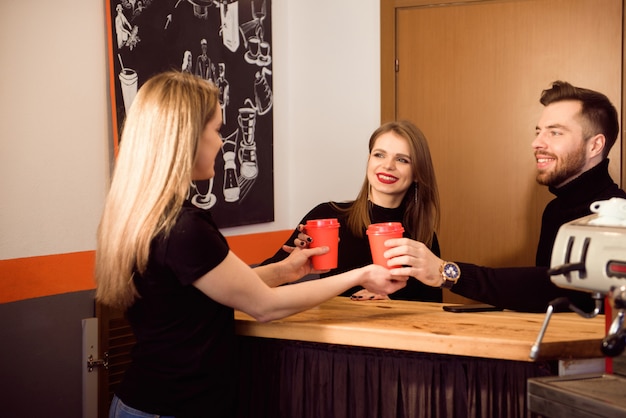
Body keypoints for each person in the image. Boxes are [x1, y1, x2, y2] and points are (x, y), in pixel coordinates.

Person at [95, 71, 407, 418]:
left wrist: (285, 270)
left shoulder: (150, 215)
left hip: (144, 402)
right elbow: (265, 307)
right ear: (187, 138)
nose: (222, 141)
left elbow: (215, 289)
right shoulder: (184, 228)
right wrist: (359, 276)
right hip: (171, 407)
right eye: (215, 129)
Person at [380, 81, 626, 313]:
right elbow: (547, 299)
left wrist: (447, 272)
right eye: (539, 131)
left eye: (555, 133)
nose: (536, 143)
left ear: (595, 146)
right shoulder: (554, 210)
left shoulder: (617, 218)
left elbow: (559, 286)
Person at [262, 120, 443, 302]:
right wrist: (292, 264)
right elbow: (256, 289)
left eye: (402, 159)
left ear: (418, 173)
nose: (388, 165)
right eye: (379, 155)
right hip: (331, 328)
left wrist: (392, 305)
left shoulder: (423, 235)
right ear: (369, 160)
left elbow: (433, 310)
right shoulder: (327, 215)